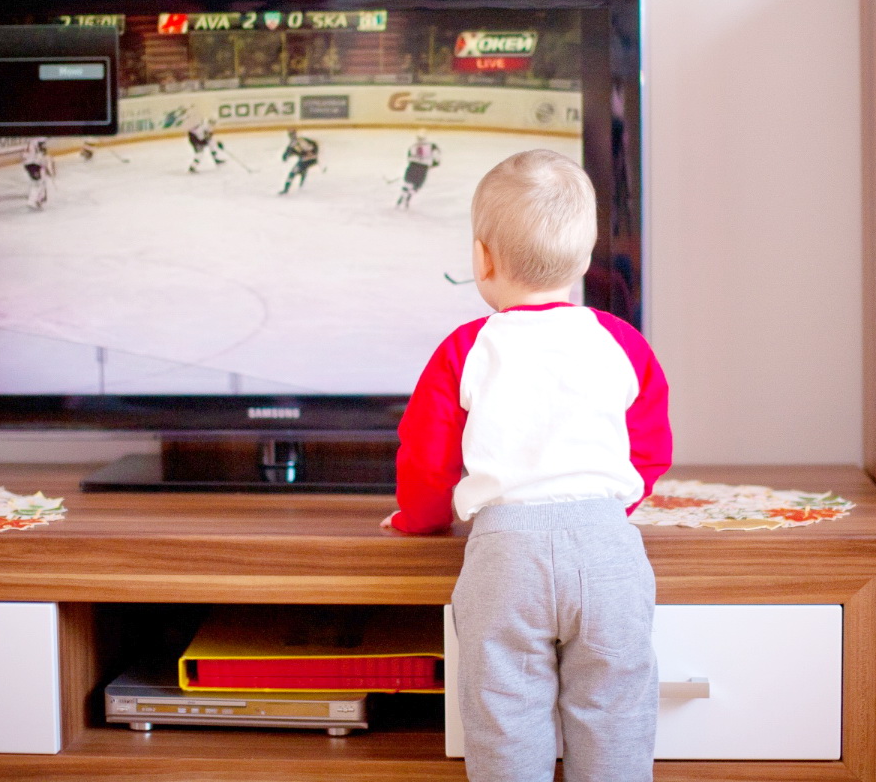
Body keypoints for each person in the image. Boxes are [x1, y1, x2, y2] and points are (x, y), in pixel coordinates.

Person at [382, 149, 672, 782]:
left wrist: (417, 520)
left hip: (504, 558)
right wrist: (608, 505)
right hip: (610, 554)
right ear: (586, 258)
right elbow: (649, 447)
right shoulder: (623, 342)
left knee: (504, 719)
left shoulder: (466, 348)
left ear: (482, 258)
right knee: (616, 713)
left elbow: (426, 458)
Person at [397, 132, 441, 209]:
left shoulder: (412, 147)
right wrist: (433, 164)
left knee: (408, 183)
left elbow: (409, 158)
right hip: (422, 169)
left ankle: (401, 199)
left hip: (412, 167)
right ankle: (407, 199)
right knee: (417, 186)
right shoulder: (432, 146)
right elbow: (437, 157)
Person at [280, 127, 319, 194]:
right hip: (309, 160)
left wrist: (311, 153)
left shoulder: (298, 142)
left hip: (307, 160)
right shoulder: (297, 142)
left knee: (293, 173)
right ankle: (301, 185)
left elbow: (286, 155)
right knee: (302, 168)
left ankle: (286, 190)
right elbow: (286, 155)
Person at [22, 137, 51, 210]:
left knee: (40, 181)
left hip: (31, 163)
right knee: (37, 183)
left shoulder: (32, 142)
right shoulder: (37, 143)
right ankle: (33, 201)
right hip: (32, 164)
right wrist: (45, 165)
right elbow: (40, 155)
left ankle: (38, 199)